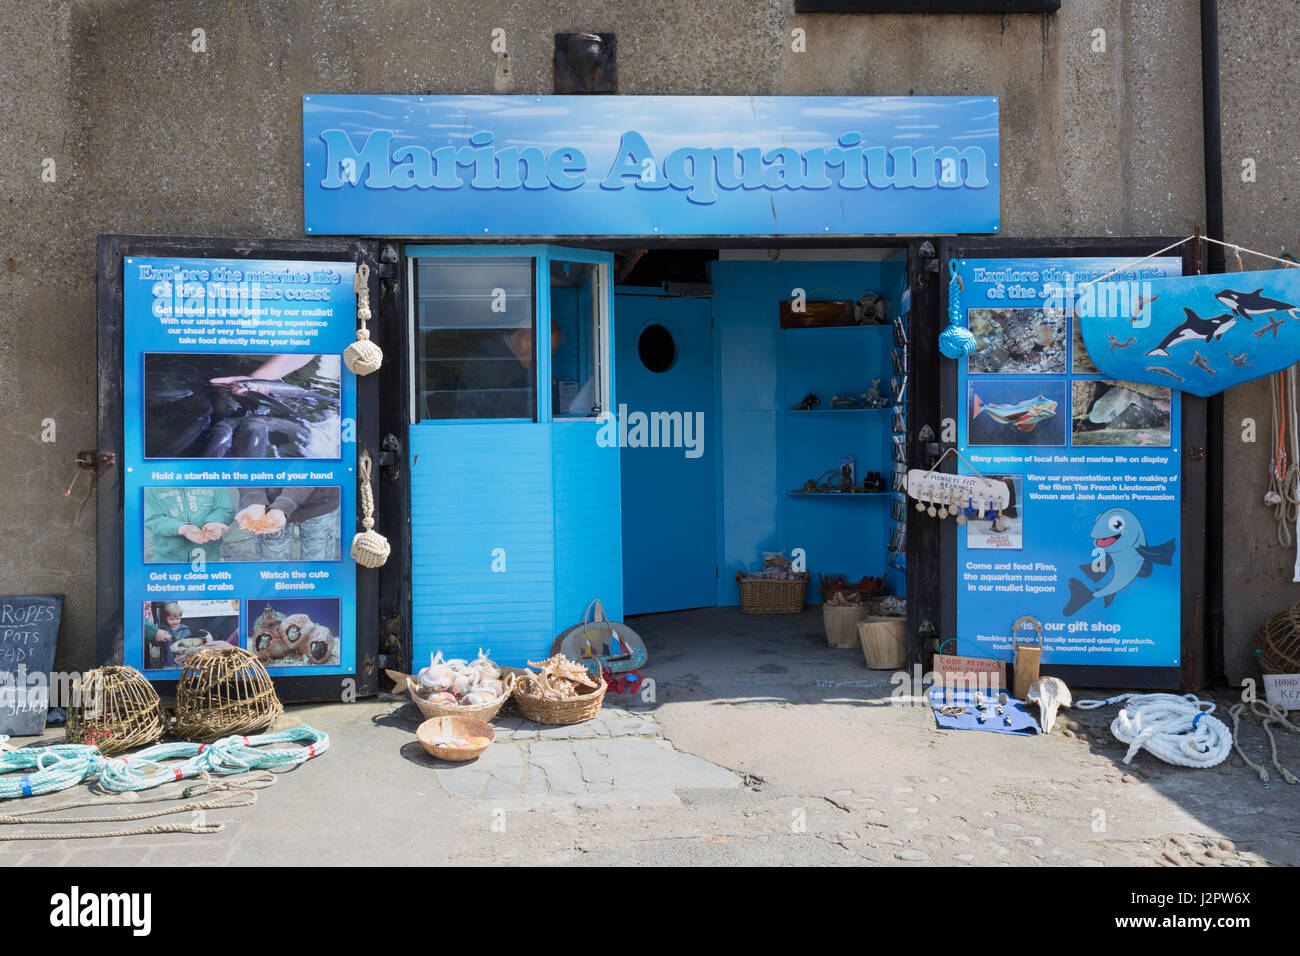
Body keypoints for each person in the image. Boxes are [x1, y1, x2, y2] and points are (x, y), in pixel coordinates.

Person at [234, 486, 340, 561]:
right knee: (272, 572)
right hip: (268, 504)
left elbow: (310, 466)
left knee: (319, 570)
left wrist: (283, 505)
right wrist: (254, 499)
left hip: (318, 502)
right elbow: (243, 460)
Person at [143, 487, 236, 563]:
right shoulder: (152, 486)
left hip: (209, 558)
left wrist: (213, 521)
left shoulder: (213, 478)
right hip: (167, 560)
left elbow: (224, 509)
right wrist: (181, 528)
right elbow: (151, 518)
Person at [143, 601, 191, 668]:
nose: (175, 622)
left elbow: (190, 646)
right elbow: (157, 644)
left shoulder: (185, 630)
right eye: (171, 619)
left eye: (178, 619)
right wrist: (157, 640)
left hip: (182, 663)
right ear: (166, 618)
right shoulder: (163, 630)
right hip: (167, 663)